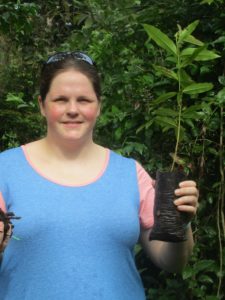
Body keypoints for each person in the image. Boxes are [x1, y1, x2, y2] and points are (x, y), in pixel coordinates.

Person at [0, 51, 199, 300]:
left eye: (84, 100)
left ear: (99, 106)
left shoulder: (130, 173)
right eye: (60, 99)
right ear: (42, 105)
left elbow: (171, 262)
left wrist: (183, 221)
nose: (72, 110)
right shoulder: (5, 170)